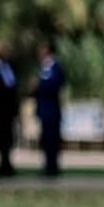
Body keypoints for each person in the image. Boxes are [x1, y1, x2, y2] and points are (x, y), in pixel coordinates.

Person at [34, 40, 65, 177]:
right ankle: (48, 165)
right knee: (46, 139)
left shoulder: (54, 67)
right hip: (44, 110)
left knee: (52, 139)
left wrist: (38, 88)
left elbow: (54, 85)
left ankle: (52, 167)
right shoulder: (44, 67)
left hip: (51, 110)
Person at [0, 43, 18, 177]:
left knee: (7, 139)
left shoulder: (8, 67)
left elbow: (11, 87)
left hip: (8, 110)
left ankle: (6, 164)